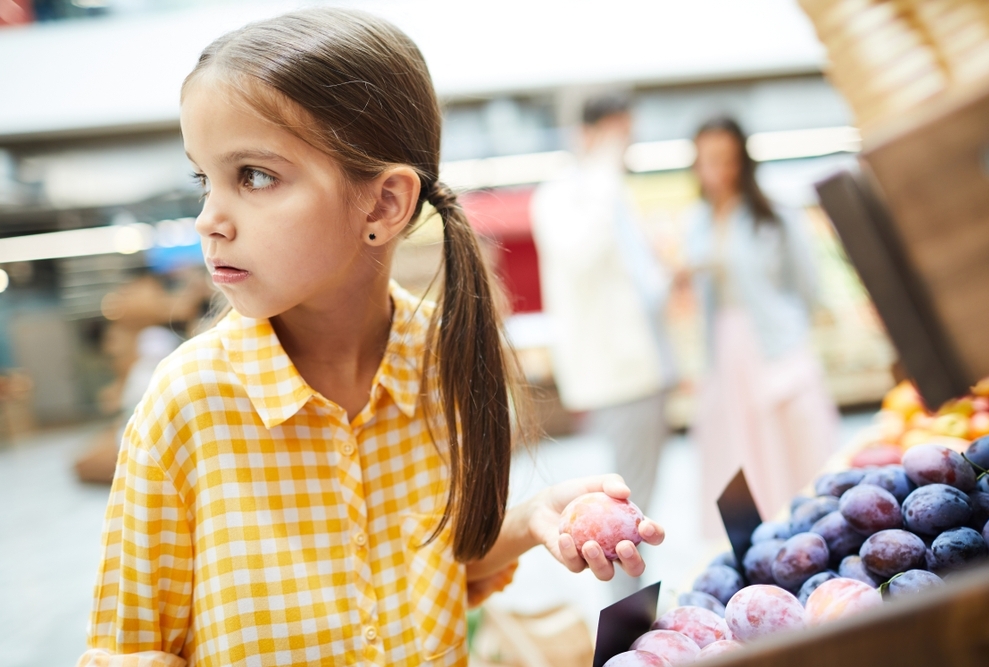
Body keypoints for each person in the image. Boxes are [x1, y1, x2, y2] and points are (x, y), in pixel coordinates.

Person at [77, 9, 665, 667]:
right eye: (203, 178)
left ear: (384, 204)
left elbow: (441, 572)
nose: (208, 218)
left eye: (255, 175)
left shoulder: (441, 358)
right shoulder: (185, 405)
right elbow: (128, 652)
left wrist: (529, 521)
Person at [531, 95, 674, 597]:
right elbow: (584, 256)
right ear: (592, 134)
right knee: (622, 512)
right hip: (620, 376)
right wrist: (602, 168)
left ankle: (637, 622)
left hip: (648, 370)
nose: (626, 147)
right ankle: (631, 630)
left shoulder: (608, 191)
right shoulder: (568, 194)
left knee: (640, 502)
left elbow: (640, 283)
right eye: (619, 135)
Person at [684, 116, 839, 535]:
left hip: (774, 343)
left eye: (725, 158)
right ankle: (752, 543)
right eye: (707, 159)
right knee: (736, 452)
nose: (717, 169)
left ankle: (807, 533)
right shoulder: (697, 221)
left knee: (791, 446)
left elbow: (806, 284)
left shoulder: (772, 215)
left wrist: (792, 336)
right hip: (724, 348)